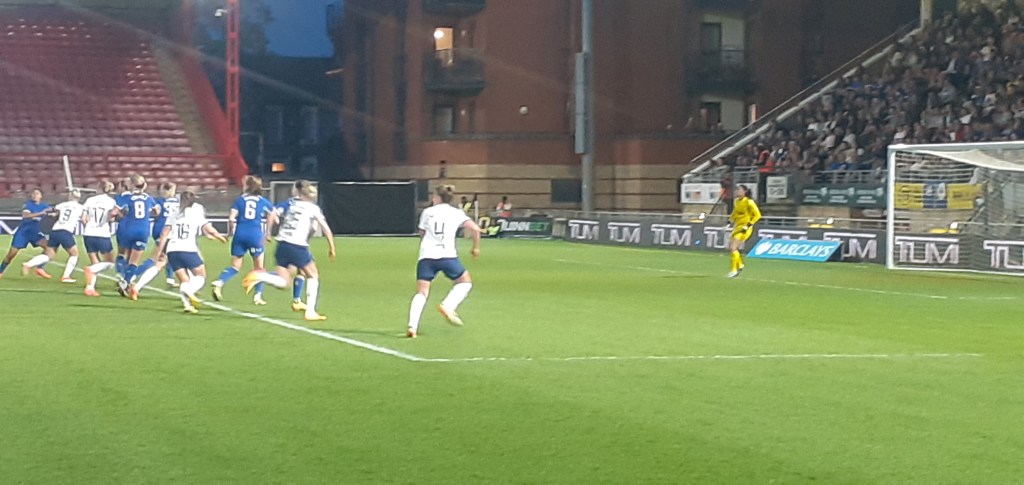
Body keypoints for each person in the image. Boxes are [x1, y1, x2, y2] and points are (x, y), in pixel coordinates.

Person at [243, 181, 336, 321]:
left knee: (284, 282)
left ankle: (260, 276)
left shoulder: (290, 204)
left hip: (282, 244)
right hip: (297, 245)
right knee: (313, 275)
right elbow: (325, 229)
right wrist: (332, 247)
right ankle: (310, 312)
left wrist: (268, 233)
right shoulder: (313, 208)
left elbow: (272, 214)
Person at [406, 186, 481, 338]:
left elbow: (422, 232)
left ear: (438, 197)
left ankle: (412, 327)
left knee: (422, 292)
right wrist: (475, 248)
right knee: (465, 282)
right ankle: (448, 305)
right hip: (447, 255)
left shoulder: (427, 212)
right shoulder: (456, 213)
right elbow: (476, 229)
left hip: (427, 256)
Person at [156, 191, 227, 313]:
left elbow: (165, 232)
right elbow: (208, 228)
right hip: (187, 248)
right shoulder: (196, 212)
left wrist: (160, 250)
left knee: (184, 279)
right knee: (201, 275)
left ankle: (187, 305)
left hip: (172, 249)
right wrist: (219, 237)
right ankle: (190, 290)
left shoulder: (174, 213)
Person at [212, 175, 276, 305]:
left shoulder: (239, 200)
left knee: (235, 267)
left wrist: (229, 233)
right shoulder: (262, 201)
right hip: (255, 235)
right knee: (259, 268)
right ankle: (257, 296)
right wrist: (268, 233)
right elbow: (272, 214)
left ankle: (220, 281)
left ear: (247, 186)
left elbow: (231, 219)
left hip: (240, 234)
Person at [21, 189, 85, 283]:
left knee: (50, 255)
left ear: (70, 196)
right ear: (79, 198)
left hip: (55, 230)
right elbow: (84, 219)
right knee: (74, 254)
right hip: (66, 231)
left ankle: (29, 264)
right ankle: (66, 276)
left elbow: (52, 214)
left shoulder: (61, 205)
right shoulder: (81, 207)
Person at [116, 174, 159, 295]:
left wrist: (123, 215)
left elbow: (116, 211)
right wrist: (147, 214)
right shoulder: (148, 198)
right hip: (143, 230)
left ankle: (124, 278)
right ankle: (125, 281)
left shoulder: (127, 197)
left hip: (129, 229)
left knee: (125, 255)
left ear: (131, 184)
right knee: (134, 261)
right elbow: (157, 211)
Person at [271, 182, 308, 311]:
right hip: (297, 241)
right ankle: (262, 276)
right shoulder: (306, 205)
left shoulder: (287, 203)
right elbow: (315, 226)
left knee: (292, 271)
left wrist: (272, 225)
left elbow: (273, 213)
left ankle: (297, 301)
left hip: (287, 240)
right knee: (304, 271)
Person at [0, 189, 53, 279]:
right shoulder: (28, 205)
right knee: (11, 254)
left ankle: (40, 268)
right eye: (33, 193)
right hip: (23, 233)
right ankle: (0, 271)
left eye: (37, 194)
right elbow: (26, 215)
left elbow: (51, 212)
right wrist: (42, 213)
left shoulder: (44, 206)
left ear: (41, 196)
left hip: (35, 232)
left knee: (49, 248)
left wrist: (53, 213)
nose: (34, 195)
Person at [81, 180, 120, 296]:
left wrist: (89, 225)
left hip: (88, 233)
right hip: (102, 233)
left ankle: (90, 288)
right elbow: (111, 218)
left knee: (95, 262)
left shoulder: (89, 200)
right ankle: (91, 272)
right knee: (110, 262)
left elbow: (83, 219)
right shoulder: (111, 202)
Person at [727, 185, 761, 278]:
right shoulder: (736, 201)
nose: (737, 191)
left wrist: (748, 225)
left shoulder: (749, 202)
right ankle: (740, 264)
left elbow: (758, 215)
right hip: (737, 227)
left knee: (733, 248)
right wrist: (729, 222)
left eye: (739, 190)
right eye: (737, 190)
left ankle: (734, 270)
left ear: (744, 191)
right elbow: (735, 213)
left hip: (745, 228)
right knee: (732, 248)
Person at [151, 182, 180, 287]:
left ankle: (170, 278)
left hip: (158, 229)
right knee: (161, 258)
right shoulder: (179, 202)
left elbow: (155, 213)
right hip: (169, 230)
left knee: (167, 255)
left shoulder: (159, 201)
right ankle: (135, 276)